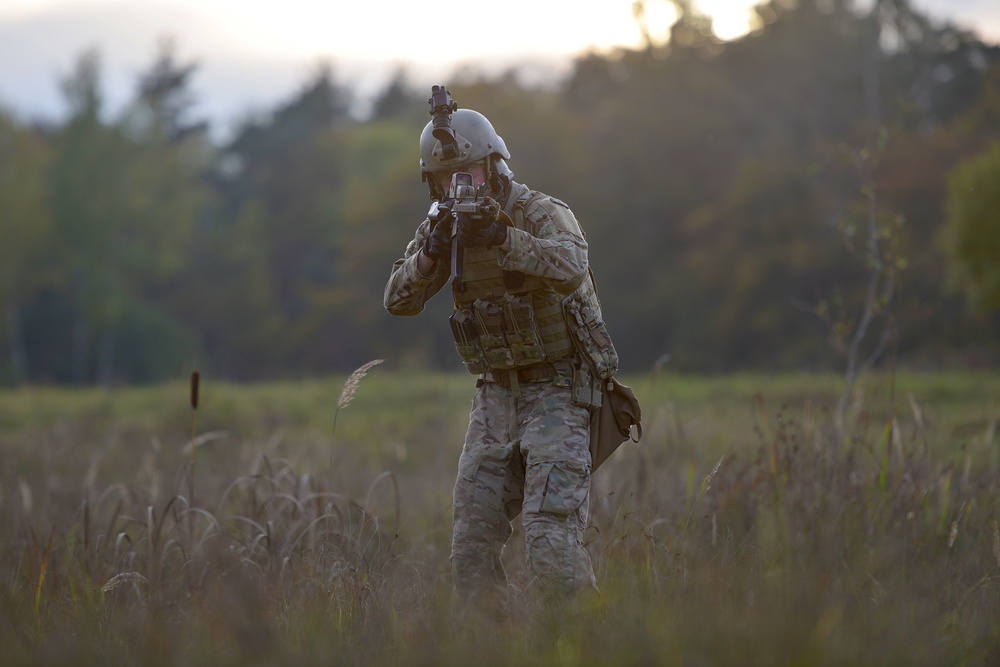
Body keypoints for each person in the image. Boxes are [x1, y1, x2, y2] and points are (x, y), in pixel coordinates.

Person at [383, 96, 619, 603]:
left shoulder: (539, 213)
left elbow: (571, 267)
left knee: (548, 539)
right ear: (433, 184)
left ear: (492, 164)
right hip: (495, 398)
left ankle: (582, 642)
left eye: (468, 172)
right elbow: (397, 301)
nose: (459, 186)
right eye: (447, 179)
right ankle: (490, 645)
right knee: (470, 542)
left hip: (558, 390)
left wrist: (502, 238)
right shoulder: (441, 230)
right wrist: (431, 254)